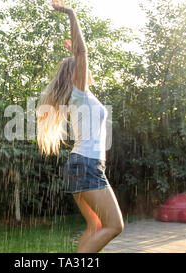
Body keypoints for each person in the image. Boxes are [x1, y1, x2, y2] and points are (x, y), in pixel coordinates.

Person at [36, 0, 124, 253]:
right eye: (83, 66)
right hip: (86, 164)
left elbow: (83, 57)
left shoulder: (82, 96)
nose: (88, 68)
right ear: (75, 74)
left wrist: (75, 52)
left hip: (79, 164)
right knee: (114, 226)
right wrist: (71, 14)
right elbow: (83, 54)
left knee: (96, 226)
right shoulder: (80, 93)